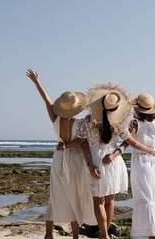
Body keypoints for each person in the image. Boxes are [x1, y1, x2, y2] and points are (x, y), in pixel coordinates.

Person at [105, 76, 155, 239]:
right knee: (153, 198)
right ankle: (153, 235)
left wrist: (118, 151)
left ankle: (152, 235)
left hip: (141, 163)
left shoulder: (135, 124)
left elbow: (129, 141)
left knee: (147, 199)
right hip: (154, 162)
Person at [26, 68, 96, 239]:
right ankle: (75, 236)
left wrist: (37, 82)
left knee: (55, 195)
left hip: (58, 159)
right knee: (74, 196)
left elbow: (47, 101)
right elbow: (82, 141)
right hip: (74, 160)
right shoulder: (80, 123)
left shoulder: (56, 120)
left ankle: (48, 233)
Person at [79, 82, 155, 239]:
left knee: (98, 202)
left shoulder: (87, 121)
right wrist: (148, 150)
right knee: (110, 202)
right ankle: (104, 235)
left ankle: (105, 235)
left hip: (96, 160)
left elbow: (83, 144)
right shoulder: (118, 123)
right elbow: (131, 142)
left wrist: (90, 164)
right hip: (113, 161)